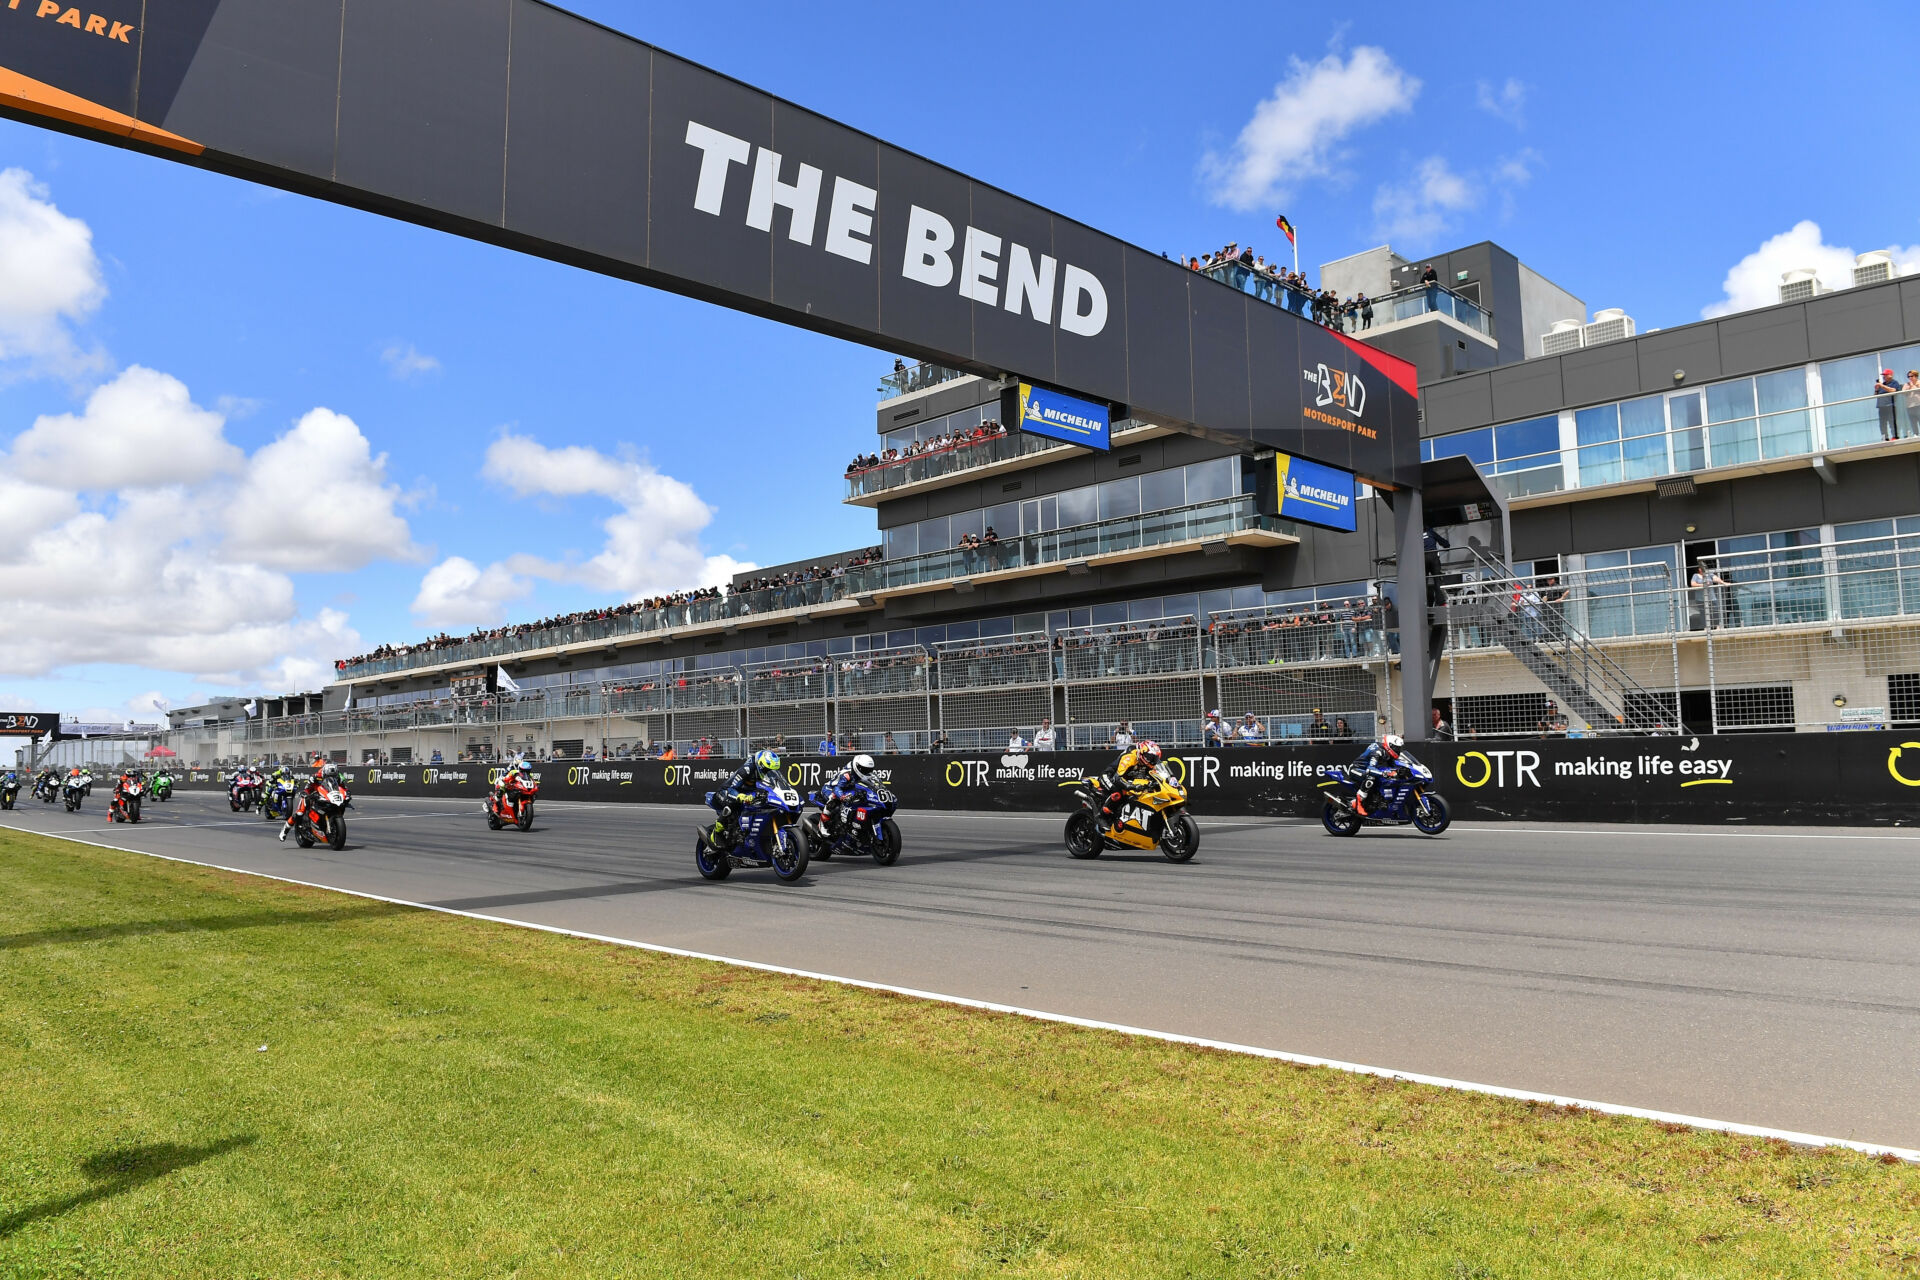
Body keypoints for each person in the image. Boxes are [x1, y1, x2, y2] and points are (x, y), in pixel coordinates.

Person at [708, 749, 782, 845]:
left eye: (771, 770)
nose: (768, 772)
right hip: (727, 791)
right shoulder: (746, 770)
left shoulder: (766, 773)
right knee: (733, 803)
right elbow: (731, 788)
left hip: (747, 793)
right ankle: (716, 833)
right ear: (760, 765)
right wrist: (740, 796)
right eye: (766, 770)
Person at [1094, 738, 1163, 829]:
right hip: (1110, 776)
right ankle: (1101, 816)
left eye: (1155, 758)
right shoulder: (1130, 757)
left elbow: (1158, 774)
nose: (1152, 761)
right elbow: (1117, 778)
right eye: (1150, 758)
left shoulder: (1149, 763)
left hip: (1126, 779)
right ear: (1142, 752)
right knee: (1119, 792)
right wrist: (1131, 786)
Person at [279, 760, 345, 841]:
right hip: (313, 793)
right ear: (324, 773)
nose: (332, 777)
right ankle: (285, 830)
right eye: (329, 775)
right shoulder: (316, 776)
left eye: (334, 775)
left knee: (341, 805)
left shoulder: (338, 776)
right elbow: (308, 787)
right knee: (300, 812)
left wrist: (346, 793)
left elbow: (343, 787)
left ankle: (329, 824)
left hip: (328, 795)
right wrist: (305, 793)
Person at [1348, 734, 1412, 817]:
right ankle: (1358, 804)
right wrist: (1384, 773)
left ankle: (1379, 802)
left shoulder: (1387, 752)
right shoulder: (1377, 752)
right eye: (1397, 748)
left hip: (1367, 769)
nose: (1398, 750)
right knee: (1371, 777)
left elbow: (1393, 766)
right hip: (1356, 769)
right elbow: (1370, 769)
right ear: (1390, 746)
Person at [819, 753, 877, 837]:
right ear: (858, 767)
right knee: (834, 800)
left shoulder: (866, 774)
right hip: (830, 788)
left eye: (868, 770)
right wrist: (842, 796)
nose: (867, 772)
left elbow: (874, 783)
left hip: (847, 789)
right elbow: (837, 788)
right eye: (864, 770)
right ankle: (822, 824)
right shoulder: (847, 774)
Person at [1877, 368, 1904, 441]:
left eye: (1885, 375)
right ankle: (1885, 438)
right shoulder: (1883, 384)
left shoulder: (1894, 383)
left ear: (1890, 375)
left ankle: (1895, 437)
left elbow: (1893, 390)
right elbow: (1876, 394)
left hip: (1890, 406)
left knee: (1892, 422)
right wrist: (1876, 389)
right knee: (1882, 424)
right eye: (1883, 375)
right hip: (1881, 407)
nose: (1883, 377)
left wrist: (1882, 386)